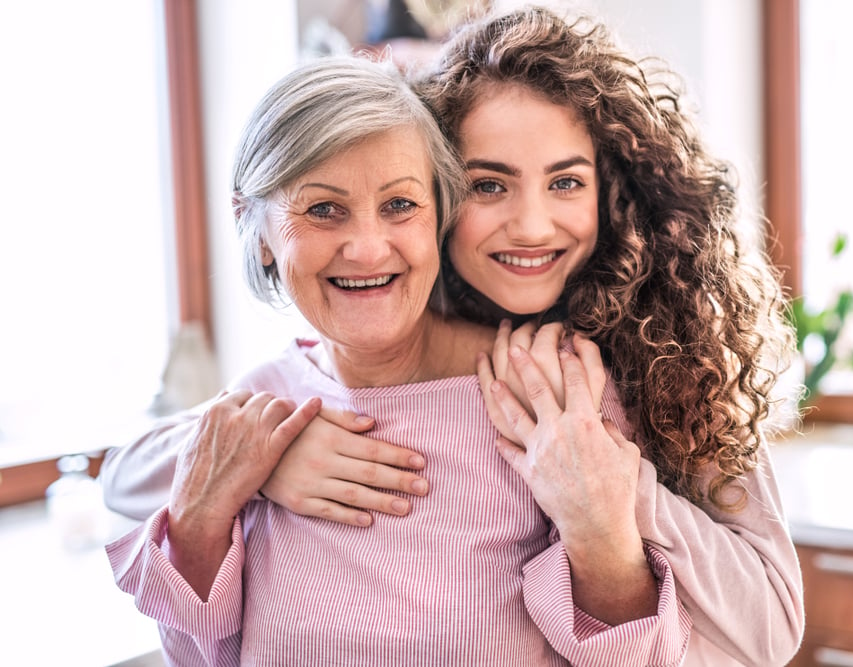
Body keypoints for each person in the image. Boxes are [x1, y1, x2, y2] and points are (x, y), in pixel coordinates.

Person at [102, 6, 805, 666]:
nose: (530, 226)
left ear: (616, 191)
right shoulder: (326, 361)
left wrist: (606, 484)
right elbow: (129, 476)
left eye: (565, 182)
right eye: (490, 186)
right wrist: (272, 452)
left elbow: (768, 623)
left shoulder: (649, 360)